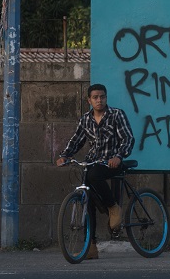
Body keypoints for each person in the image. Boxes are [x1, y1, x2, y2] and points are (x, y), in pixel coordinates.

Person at [56, 83, 135, 259]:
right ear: (89, 100)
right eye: (95, 97)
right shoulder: (85, 119)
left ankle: (113, 207)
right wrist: (65, 156)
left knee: (93, 175)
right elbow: (76, 139)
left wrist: (119, 157)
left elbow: (128, 139)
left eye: (102, 97)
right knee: (88, 199)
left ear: (106, 98)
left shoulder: (116, 115)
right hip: (93, 162)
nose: (99, 100)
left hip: (113, 163)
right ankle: (90, 247)